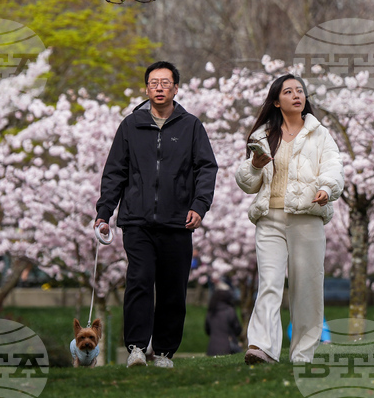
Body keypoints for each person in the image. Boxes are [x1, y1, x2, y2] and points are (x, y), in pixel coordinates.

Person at [94, 61, 218, 368]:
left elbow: (206, 168)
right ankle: (136, 348)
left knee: (172, 287)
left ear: (176, 88)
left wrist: (199, 206)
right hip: (137, 220)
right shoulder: (130, 126)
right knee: (140, 279)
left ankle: (163, 352)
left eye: (165, 83)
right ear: (146, 88)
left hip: (178, 221)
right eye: (153, 83)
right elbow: (115, 172)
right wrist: (104, 213)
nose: (159, 87)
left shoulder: (191, 126)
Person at [235, 74, 344, 365]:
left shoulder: (320, 134)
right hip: (269, 218)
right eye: (288, 91)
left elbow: (334, 167)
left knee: (306, 287)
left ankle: (302, 355)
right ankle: (262, 347)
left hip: (307, 218)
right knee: (269, 282)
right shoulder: (262, 135)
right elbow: (247, 182)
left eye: (300, 91)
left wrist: (326, 188)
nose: (297, 95)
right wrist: (255, 167)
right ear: (276, 101)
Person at [205, 286, 243, 356]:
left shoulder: (211, 312)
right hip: (228, 348)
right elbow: (237, 329)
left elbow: (208, 330)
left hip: (212, 349)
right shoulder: (230, 311)